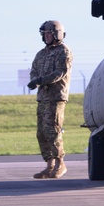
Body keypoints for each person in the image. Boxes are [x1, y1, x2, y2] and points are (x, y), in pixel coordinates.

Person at [28, 20, 74, 179]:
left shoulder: (64, 51)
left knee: (52, 130)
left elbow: (60, 72)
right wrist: (35, 80)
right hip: (42, 98)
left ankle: (60, 164)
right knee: (41, 133)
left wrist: (41, 81)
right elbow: (33, 70)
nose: (46, 37)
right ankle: (49, 165)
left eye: (49, 33)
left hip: (56, 97)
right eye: (44, 34)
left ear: (57, 34)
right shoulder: (41, 54)